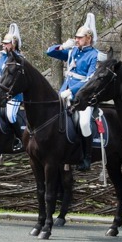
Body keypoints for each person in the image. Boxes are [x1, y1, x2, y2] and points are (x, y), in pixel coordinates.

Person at [45, 13, 100, 170]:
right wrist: (62, 46)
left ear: (88, 38)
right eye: (76, 37)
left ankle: (86, 157)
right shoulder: (73, 51)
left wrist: (72, 91)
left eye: (80, 37)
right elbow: (50, 52)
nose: (76, 40)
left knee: (83, 123)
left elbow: (90, 80)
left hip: (83, 96)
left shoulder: (93, 55)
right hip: (64, 92)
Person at [0, 23, 25, 150]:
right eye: (3, 43)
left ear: (13, 44)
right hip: (2, 91)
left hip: (14, 94)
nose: (4, 45)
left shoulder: (19, 58)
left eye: (6, 43)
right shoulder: (3, 57)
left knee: (10, 116)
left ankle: (19, 139)